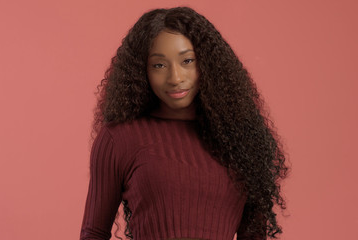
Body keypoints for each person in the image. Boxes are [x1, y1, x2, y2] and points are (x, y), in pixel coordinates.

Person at [80, 6, 288, 240]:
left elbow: (254, 235)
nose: (175, 78)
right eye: (159, 65)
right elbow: (93, 233)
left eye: (187, 61)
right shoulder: (118, 138)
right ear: (142, 70)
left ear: (208, 64)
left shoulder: (241, 139)